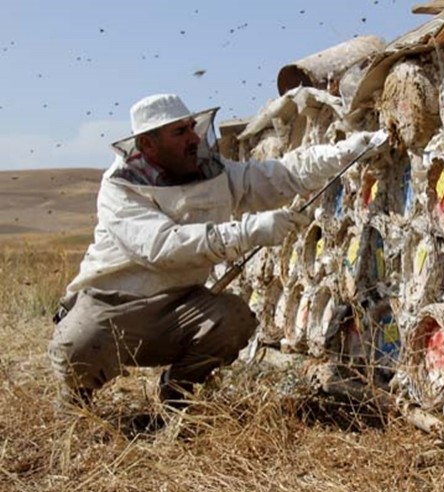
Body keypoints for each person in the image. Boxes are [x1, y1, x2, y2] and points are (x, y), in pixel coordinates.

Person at [48, 93, 387, 409]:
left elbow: (280, 176)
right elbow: (162, 247)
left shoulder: (212, 171)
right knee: (76, 346)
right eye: (180, 132)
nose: (193, 138)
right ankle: (78, 406)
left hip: (177, 307)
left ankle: (176, 396)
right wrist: (252, 230)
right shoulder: (120, 188)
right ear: (148, 144)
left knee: (233, 320)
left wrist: (345, 152)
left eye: (192, 129)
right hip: (112, 305)